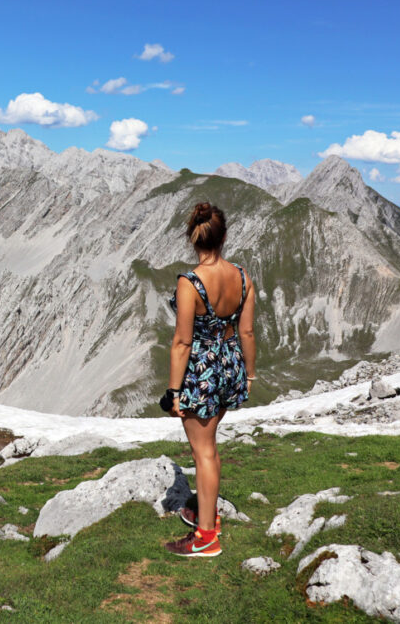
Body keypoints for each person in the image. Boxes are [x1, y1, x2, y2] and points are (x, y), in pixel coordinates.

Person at [162, 202, 256, 558]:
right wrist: (249, 374)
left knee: (202, 452)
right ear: (224, 237)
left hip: (200, 372)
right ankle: (206, 514)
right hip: (230, 365)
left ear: (192, 238)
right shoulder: (243, 277)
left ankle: (205, 537)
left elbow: (182, 342)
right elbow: (246, 332)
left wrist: (174, 392)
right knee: (210, 447)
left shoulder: (189, 283)